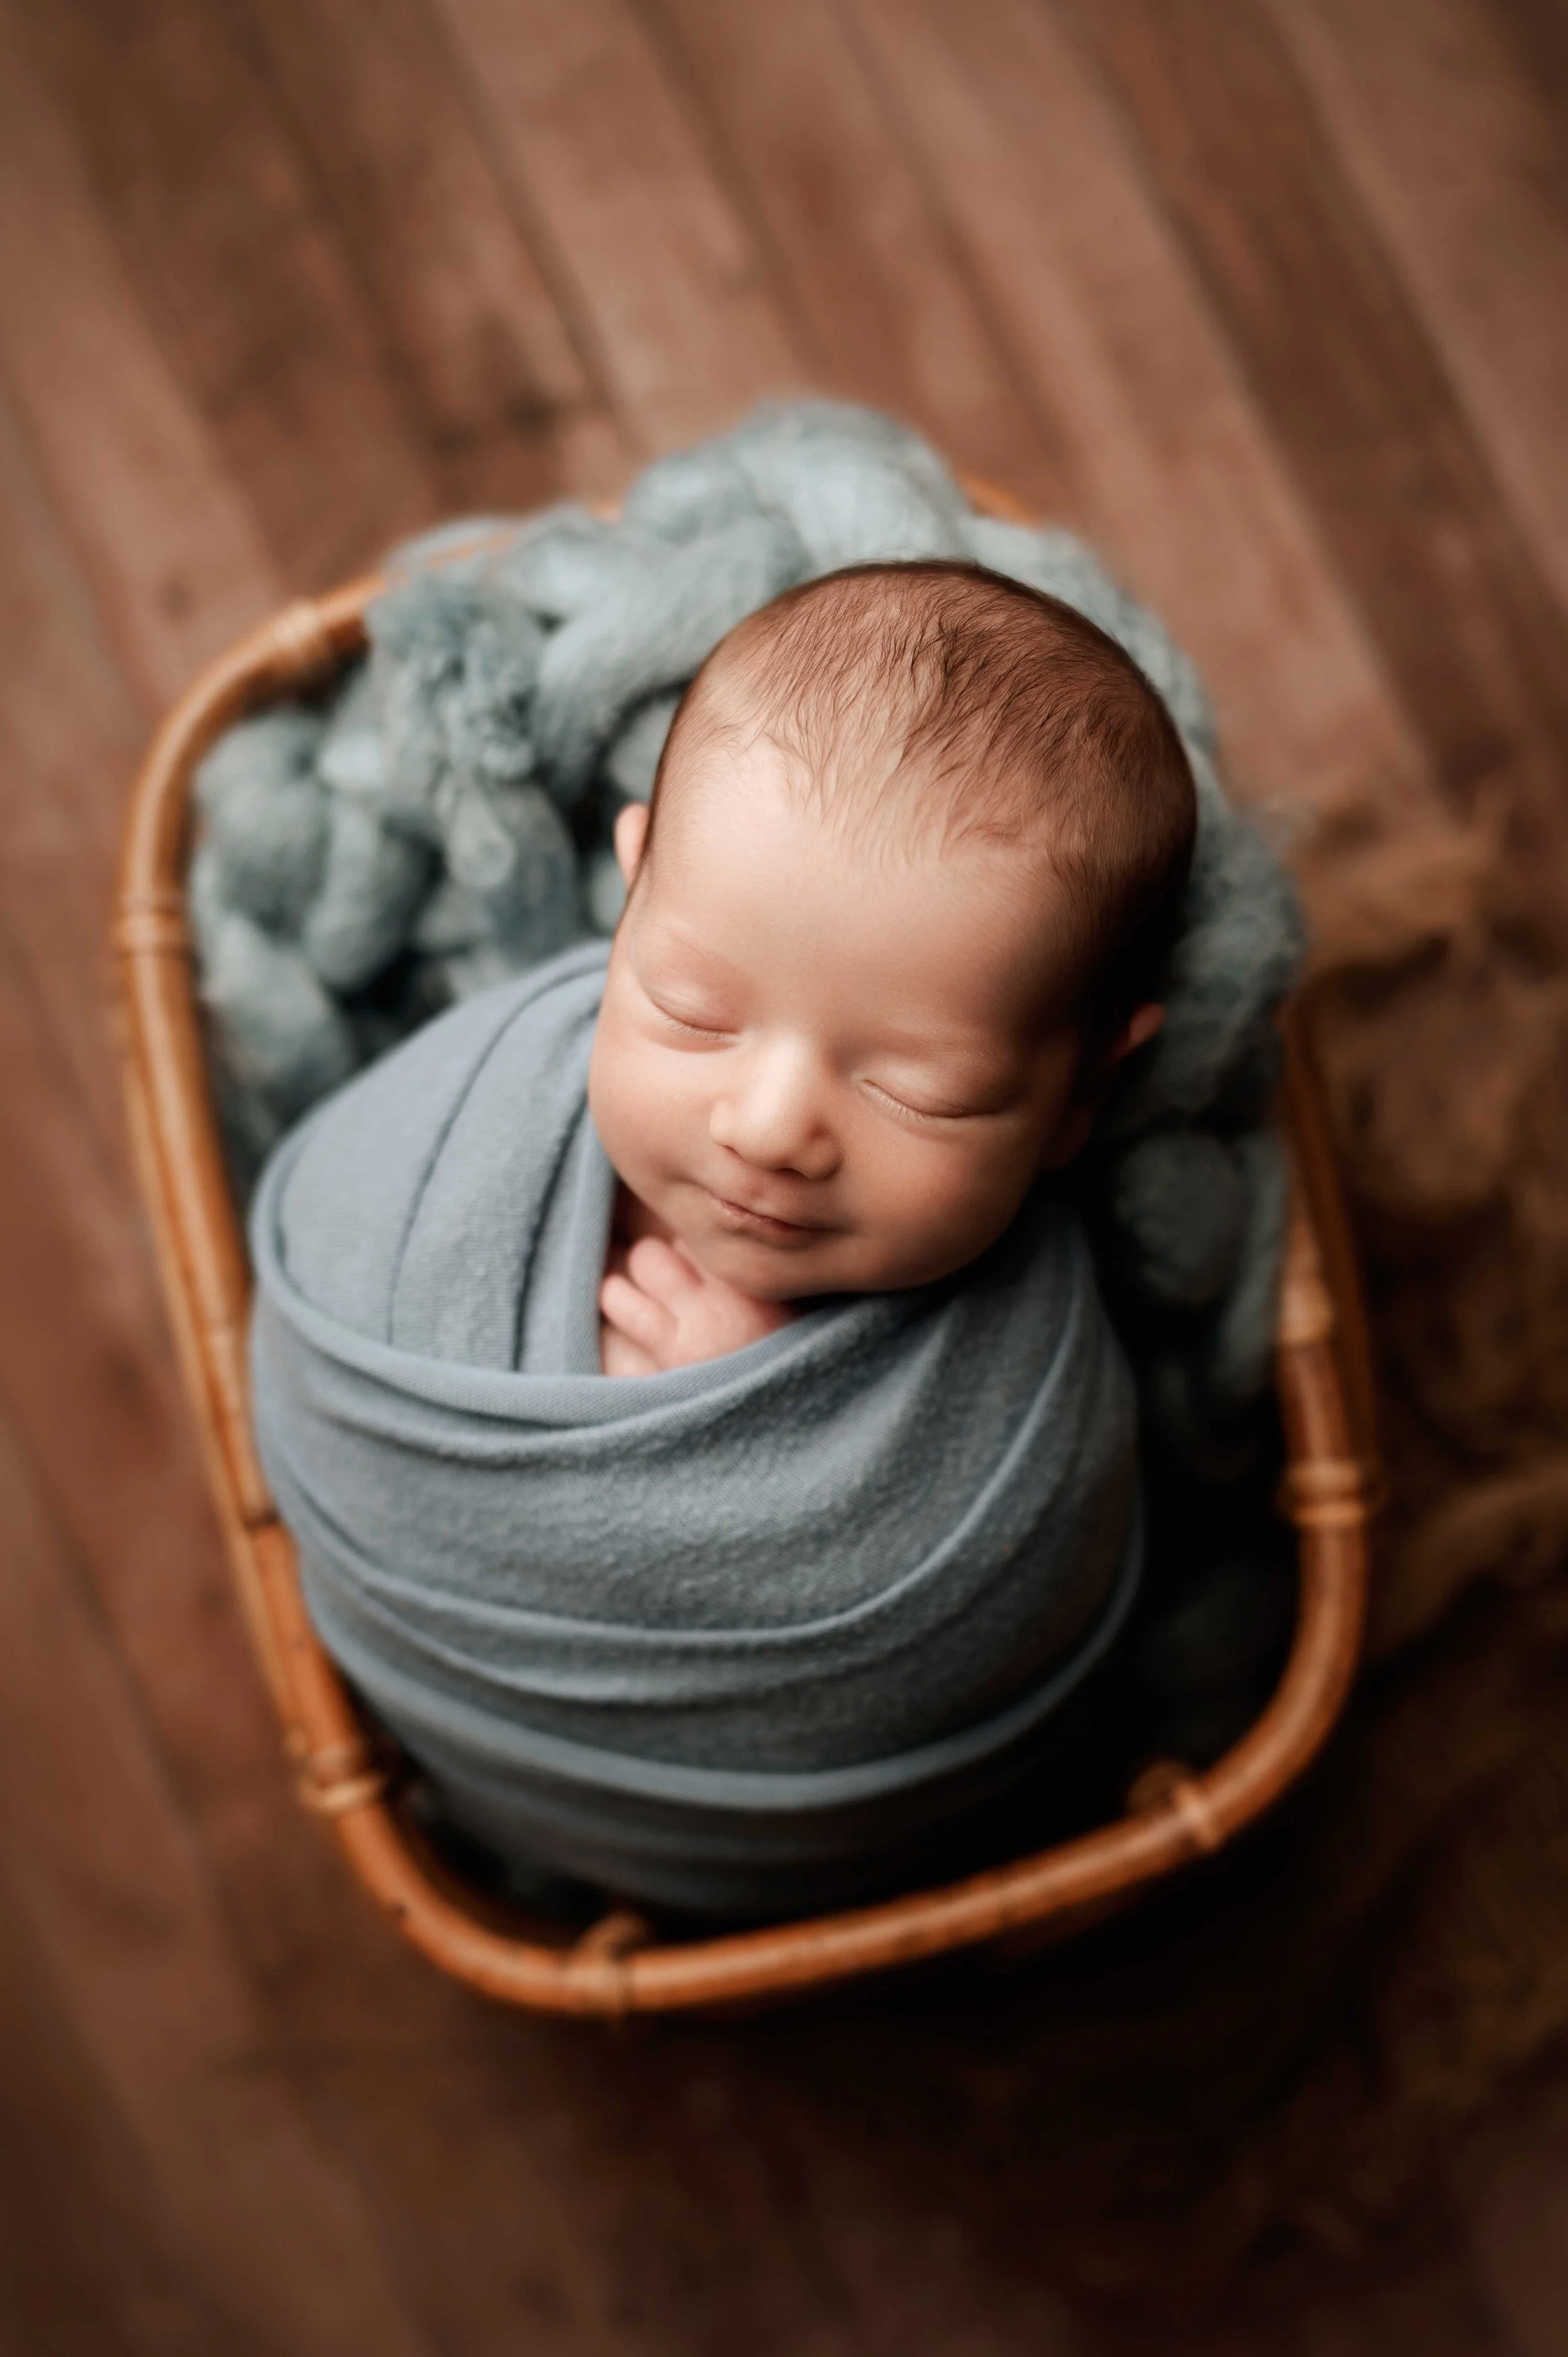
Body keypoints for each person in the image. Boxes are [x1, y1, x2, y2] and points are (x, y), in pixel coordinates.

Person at [591, 559, 1194, 1376]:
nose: (770, 1131)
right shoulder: (501, 1087)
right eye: (691, 1010)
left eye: (917, 1093)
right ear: (631, 898)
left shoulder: (1017, 1363)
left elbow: (1037, 1507)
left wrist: (762, 1419)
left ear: (1083, 1087)